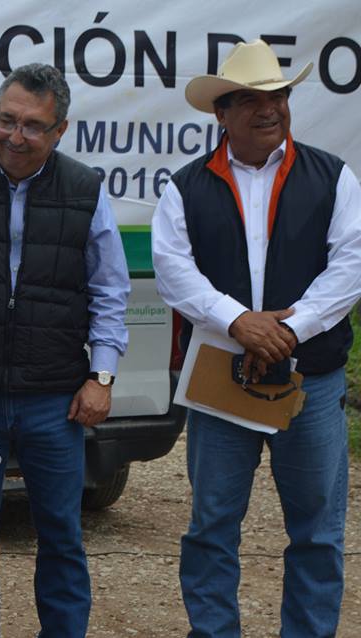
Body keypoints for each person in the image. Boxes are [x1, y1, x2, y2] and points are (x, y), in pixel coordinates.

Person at [152, 39, 361, 636]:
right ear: (222, 113)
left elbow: (350, 266)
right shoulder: (185, 186)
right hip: (223, 377)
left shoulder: (333, 176)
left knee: (318, 532)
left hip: (311, 382)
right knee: (213, 526)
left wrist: (289, 328)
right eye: (250, 100)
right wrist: (238, 320)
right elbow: (173, 269)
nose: (268, 109)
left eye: (278, 96)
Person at [0, 63, 131, 638]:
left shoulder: (86, 189)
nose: (15, 136)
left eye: (32, 126)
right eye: (5, 120)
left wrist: (102, 377)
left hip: (54, 398)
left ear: (60, 130)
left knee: (62, 534)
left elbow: (110, 289)